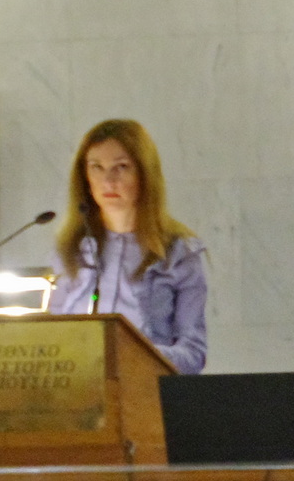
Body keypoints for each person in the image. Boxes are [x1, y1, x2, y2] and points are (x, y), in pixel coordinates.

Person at [50, 118, 208, 372]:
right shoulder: (72, 248)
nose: (108, 181)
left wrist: (130, 354)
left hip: (147, 387)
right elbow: (51, 338)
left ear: (145, 174)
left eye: (121, 167)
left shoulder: (179, 252)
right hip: (80, 387)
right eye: (97, 167)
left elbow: (193, 355)